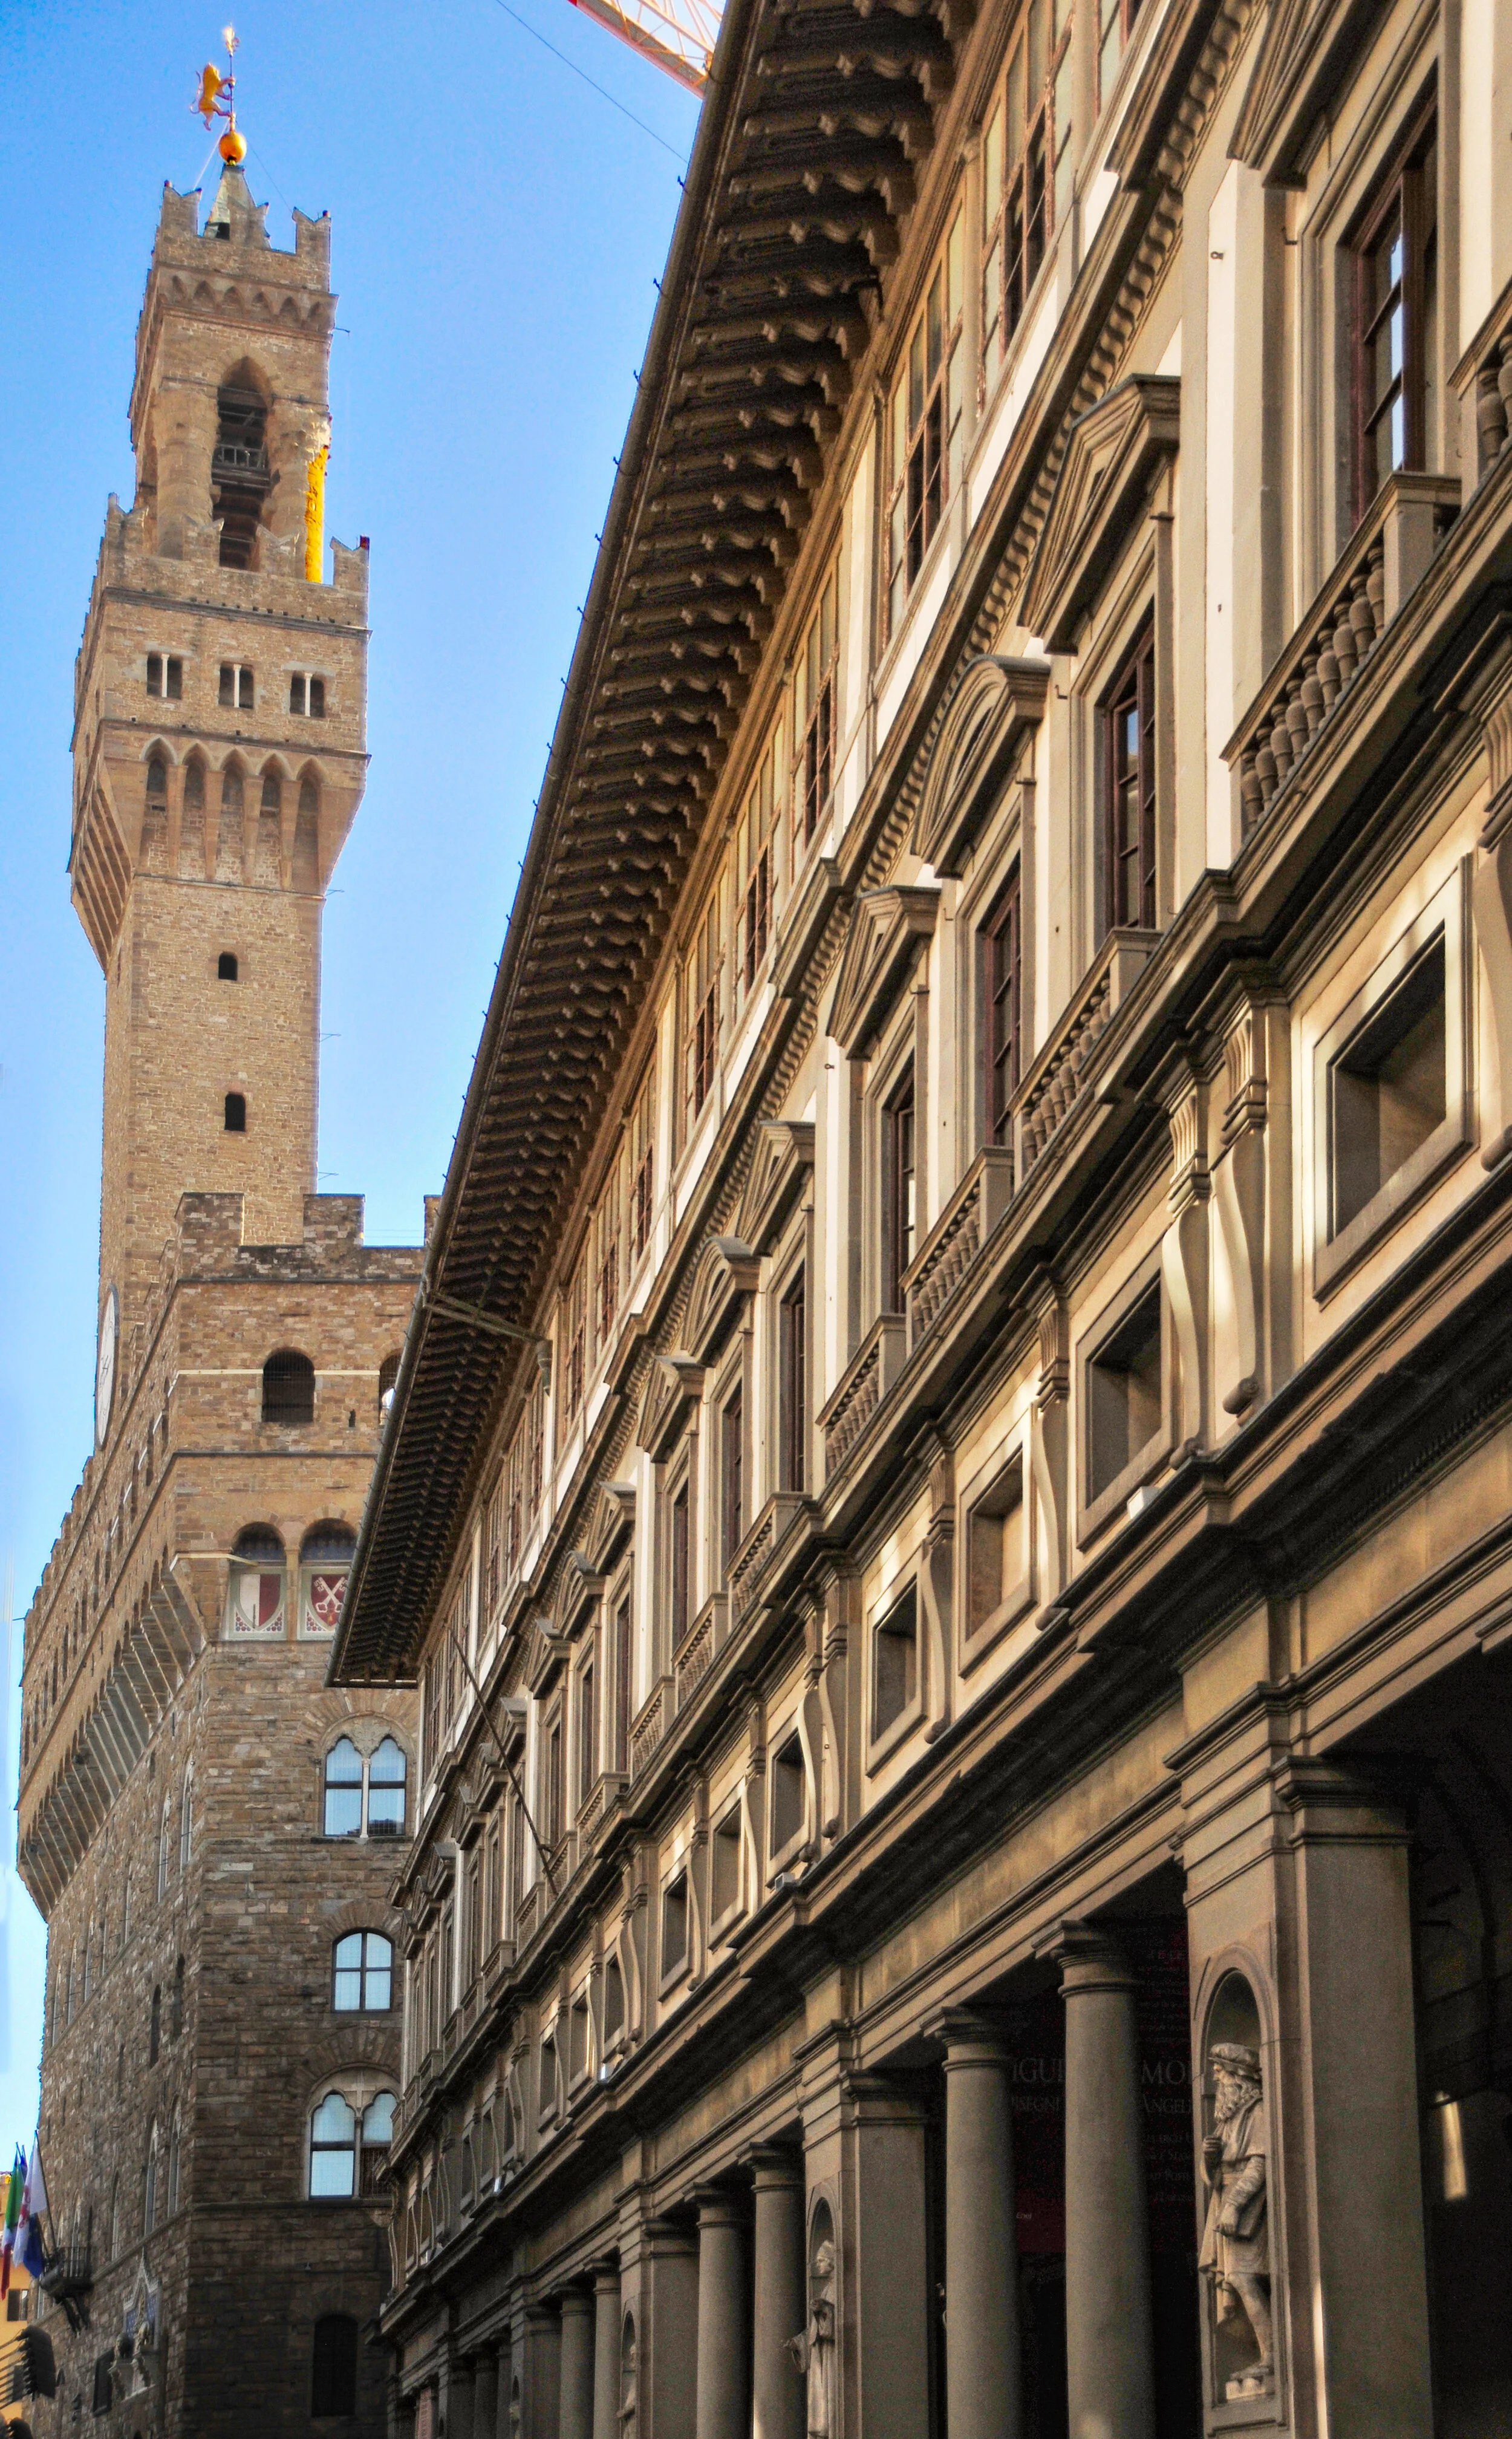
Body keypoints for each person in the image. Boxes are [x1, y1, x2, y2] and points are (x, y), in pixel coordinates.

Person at [1199, 2041, 1272, 2393]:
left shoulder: (1257, 2110)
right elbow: (1216, 2175)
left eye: (1220, 2072)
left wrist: (1235, 2205)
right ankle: (1266, 2354)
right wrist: (1210, 2158)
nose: (1216, 2079)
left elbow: (1259, 2165)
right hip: (1226, 2200)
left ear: (1238, 2076)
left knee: (1244, 2278)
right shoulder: (1228, 2118)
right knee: (1238, 2280)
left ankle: (1271, 2355)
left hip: (1246, 2207)